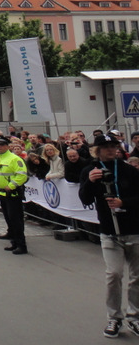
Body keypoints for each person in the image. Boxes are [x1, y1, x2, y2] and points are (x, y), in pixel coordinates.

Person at [79, 134, 139, 339]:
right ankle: (114, 318)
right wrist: (89, 182)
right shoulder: (90, 170)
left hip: (134, 229)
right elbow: (85, 198)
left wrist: (124, 203)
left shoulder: (128, 170)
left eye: (114, 146)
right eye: (105, 147)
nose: (111, 150)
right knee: (114, 274)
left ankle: (135, 317)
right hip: (109, 232)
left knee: (137, 277)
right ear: (97, 150)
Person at [0, 135, 29, 255]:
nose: (0, 147)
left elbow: (22, 175)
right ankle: (13, 242)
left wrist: (11, 186)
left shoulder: (14, 159)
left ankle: (21, 245)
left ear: (7, 146)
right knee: (8, 219)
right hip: (1, 193)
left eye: (2, 145)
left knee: (16, 220)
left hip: (12, 193)